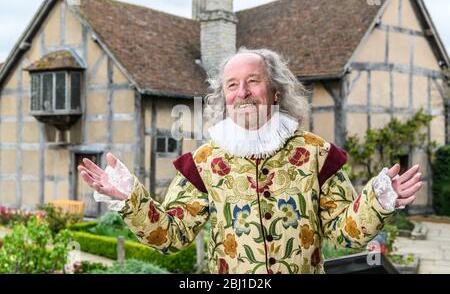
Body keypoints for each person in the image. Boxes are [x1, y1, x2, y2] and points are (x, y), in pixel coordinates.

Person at [78, 48, 423, 274]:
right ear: (224, 98)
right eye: (232, 85)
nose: (242, 92)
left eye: (252, 81)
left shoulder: (316, 154)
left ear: (274, 91)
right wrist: (128, 199)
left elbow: (344, 236)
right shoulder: (204, 161)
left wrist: (377, 202)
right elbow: (171, 237)